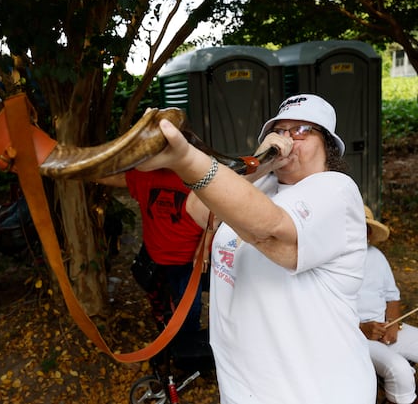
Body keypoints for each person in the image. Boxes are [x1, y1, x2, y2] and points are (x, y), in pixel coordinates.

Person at [135, 94, 375, 403]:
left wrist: (186, 159)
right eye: (280, 130)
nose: (287, 139)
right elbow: (198, 209)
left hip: (316, 391)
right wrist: (260, 162)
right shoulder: (261, 185)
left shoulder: (336, 189)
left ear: (327, 144)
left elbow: (271, 231)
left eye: (301, 130)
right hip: (244, 390)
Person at [100, 169, 207, 333]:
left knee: (190, 309)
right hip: (156, 258)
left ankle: (185, 344)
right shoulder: (143, 175)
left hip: (188, 261)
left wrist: (204, 248)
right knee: (163, 303)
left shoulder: (199, 173)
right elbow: (114, 177)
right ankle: (169, 335)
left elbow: (214, 217)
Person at [357, 205, 418, 404]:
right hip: (354, 336)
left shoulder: (376, 256)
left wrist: (392, 322)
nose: (359, 231)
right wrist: (361, 329)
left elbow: (392, 296)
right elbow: (323, 314)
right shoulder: (328, 262)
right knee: (399, 370)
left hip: (386, 328)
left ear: (369, 233)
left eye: (364, 228)